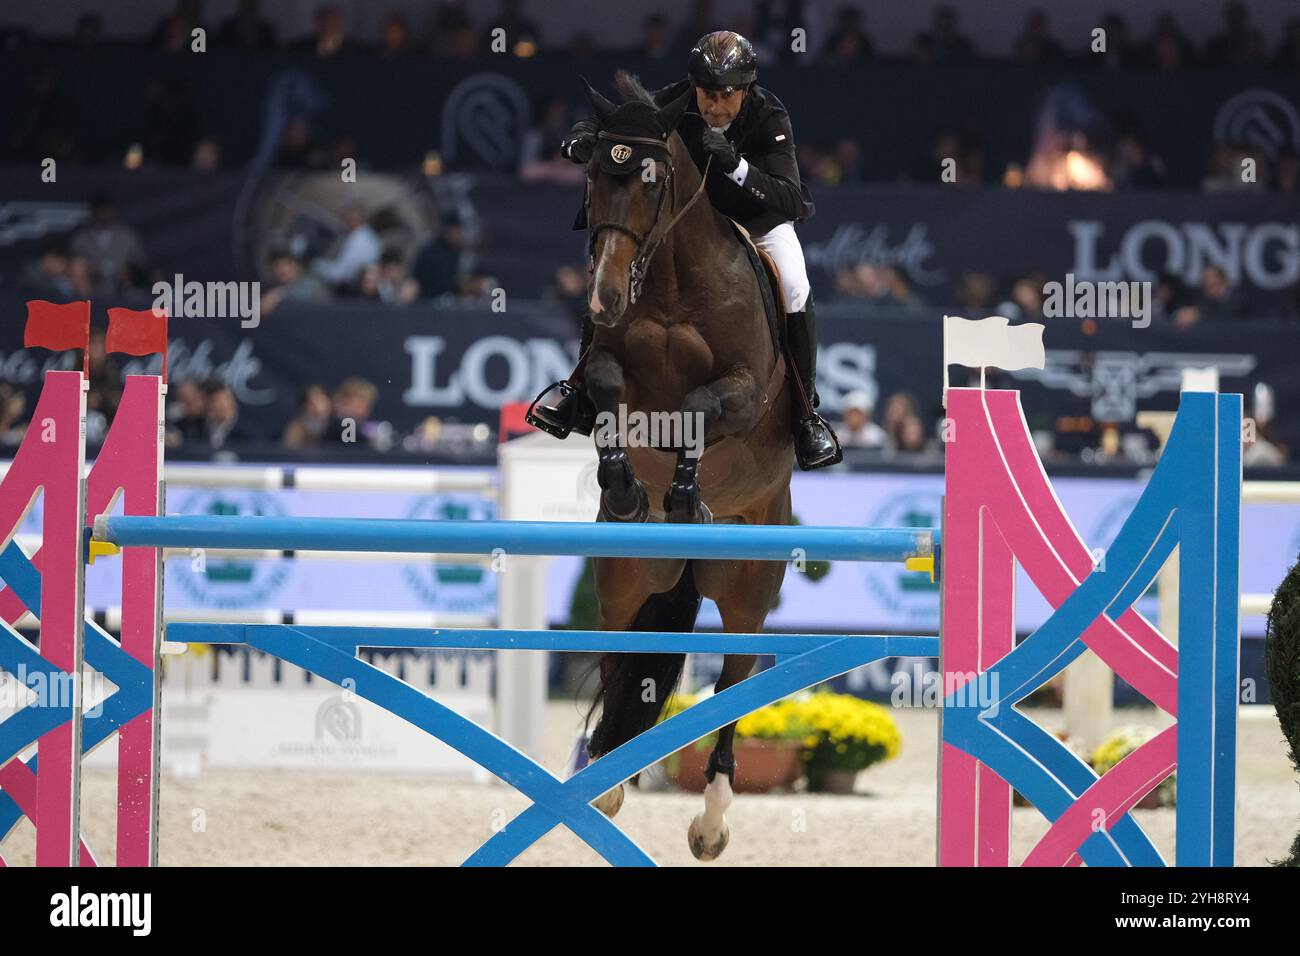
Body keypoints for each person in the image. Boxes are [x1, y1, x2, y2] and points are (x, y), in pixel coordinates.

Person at [532, 30, 840, 469]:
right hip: (692, 227)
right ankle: (579, 390)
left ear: (746, 90)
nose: (714, 106)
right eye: (706, 94)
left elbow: (791, 200)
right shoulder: (675, 102)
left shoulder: (768, 115)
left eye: (725, 96)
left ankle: (807, 414)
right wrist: (582, 135)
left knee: (794, 283)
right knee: (613, 266)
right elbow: (617, 120)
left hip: (758, 224)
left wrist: (736, 166)